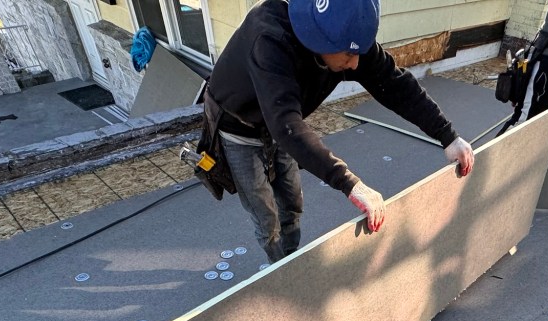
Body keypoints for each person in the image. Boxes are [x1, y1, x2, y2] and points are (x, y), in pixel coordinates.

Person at [202, 0, 474, 264]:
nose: (355, 64)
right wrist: (350, 183)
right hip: (239, 128)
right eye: (348, 55)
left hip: (280, 123)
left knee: (292, 201)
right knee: (265, 215)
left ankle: (291, 259)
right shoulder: (270, 38)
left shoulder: (347, 39)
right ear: (320, 40)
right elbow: (286, 124)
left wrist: (447, 136)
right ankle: (279, 270)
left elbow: (395, 84)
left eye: (358, 53)